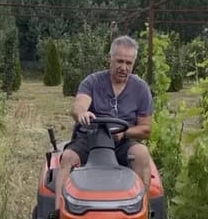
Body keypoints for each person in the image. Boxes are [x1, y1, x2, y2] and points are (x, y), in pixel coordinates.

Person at [54, 35, 154, 203]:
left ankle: (141, 211)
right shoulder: (92, 82)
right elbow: (78, 106)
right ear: (110, 59)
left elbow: (145, 129)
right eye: (119, 61)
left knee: (142, 154)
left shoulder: (141, 89)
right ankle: (59, 214)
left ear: (133, 64)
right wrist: (82, 114)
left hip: (122, 141)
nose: (123, 67)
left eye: (128, 63)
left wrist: (125, 133)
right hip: (90, 138)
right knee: (68, 157)